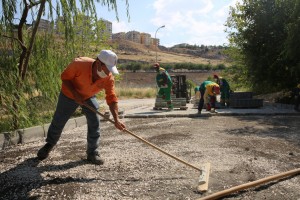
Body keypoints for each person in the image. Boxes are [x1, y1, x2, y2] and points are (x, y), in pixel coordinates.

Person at [37, 50, 126, 165]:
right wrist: (75, 94)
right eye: (107, 68)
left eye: (110, 69)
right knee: (59, 120)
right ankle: (49, 144)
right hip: (68, 94)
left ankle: (92, 152)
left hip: (88, 96)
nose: (109, 72)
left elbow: (111, 98)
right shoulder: (79, 64)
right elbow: (65, 78)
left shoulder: (108, 78)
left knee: (94, 120)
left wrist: (116, 119)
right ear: (98, 63)